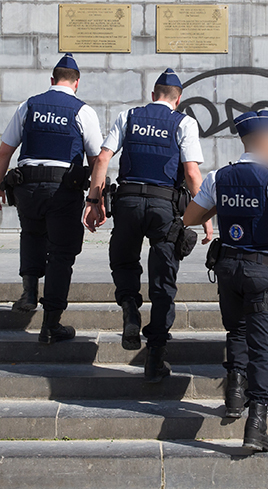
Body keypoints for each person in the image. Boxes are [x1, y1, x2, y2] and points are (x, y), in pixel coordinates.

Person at [183, 110, 268, 453]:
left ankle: (234, 394)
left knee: (235, 330)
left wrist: (220, 207)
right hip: (261, 271)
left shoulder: (219, 176)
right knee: (263, 348)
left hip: (227, 267)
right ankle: (256, 423)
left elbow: (191, 217)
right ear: (264, 140)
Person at [83, 69, 213, 383]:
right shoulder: (184, 122)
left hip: (127, 203)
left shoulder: (128, 116)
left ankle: (130, 309)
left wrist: (94, 201)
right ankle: (154, 359)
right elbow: (193, 174)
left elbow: (102, 159)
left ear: (153, 94)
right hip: (164, 207)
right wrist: (206, 216)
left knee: (124, 260)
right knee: (163, 281)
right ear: (178, 99)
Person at [0, 53, 103, 344]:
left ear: (52, 80)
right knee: (62, 255)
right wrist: (96, 199)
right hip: (63, 190)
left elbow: (5, 150)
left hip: (26, 187)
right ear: (76, 83)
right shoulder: (83, 111)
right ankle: (51, 324)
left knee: (31, 234)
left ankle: (29, 293)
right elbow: (96, 159)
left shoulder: (29, 105)